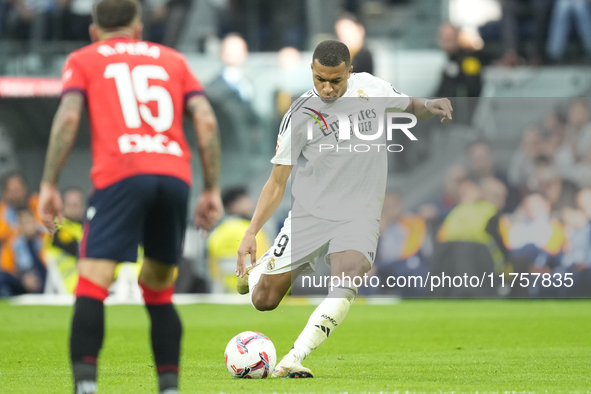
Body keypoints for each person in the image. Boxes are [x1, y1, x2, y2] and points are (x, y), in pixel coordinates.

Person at [235, 40, 453, 378]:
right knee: (264, 300)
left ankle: (294, 357)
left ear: (350, 72)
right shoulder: (300, 114)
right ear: (312, 70)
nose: (327, 87)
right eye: (320, 78)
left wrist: (431, 104)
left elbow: (410, 105)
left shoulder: (372, 88)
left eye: (335, 80)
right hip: (311, 213)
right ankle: (260, 271)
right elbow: (277, 182)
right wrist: (251, 233)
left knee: (348, 278)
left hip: (360, 213)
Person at [36, 1, 223, 393]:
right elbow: (205, 119)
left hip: (122, 173)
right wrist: (210, 188)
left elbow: (69, 115)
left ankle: (86, 386)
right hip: (174, 175)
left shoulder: (85, 58)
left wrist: (49, 182)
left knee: (92, 284)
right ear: (139, 28)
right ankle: (169, 386)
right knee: (158, 288)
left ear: (94, 31)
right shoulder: (173, 60)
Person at [207, 187, 270, 293]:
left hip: (225, 292)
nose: (252, 204)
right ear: (233, 206)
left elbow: (213, 271)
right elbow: (267, 262)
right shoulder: (254, 232)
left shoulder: (217, 232)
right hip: (253, 290)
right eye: (245, 200)